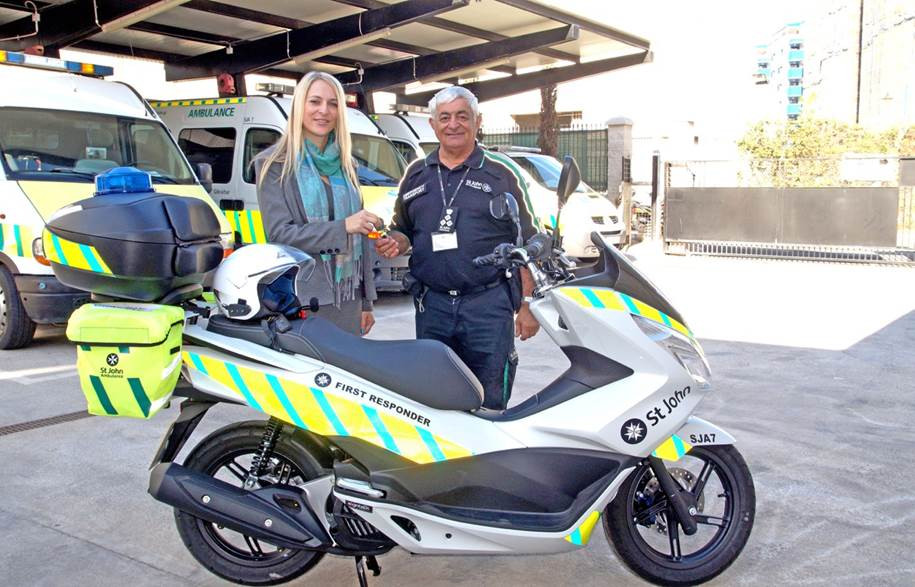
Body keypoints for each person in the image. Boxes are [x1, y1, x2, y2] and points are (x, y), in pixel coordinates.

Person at [376, 86, 541, 410]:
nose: (453, 125)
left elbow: (526, 240)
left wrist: (527, 305)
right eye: (445, 117)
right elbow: (403, 228)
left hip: (488, 306)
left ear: (477, 121)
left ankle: (487, 458)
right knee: (434, 400)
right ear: (434, 125)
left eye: (462, 116)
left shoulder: (500, 175)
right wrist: (396, 240)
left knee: (491, 399)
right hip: (432, 307)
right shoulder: (416, 175)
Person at [255, 71, 382, 336]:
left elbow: (362, 238)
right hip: (301, 299)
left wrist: (367, 302)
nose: (324, 111)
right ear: (300, 106)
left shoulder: (348, 166)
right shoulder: (274, 165)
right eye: (315, 102)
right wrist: (343, 227)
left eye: (333, 103)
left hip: (349, 300)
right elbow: (280, 234)